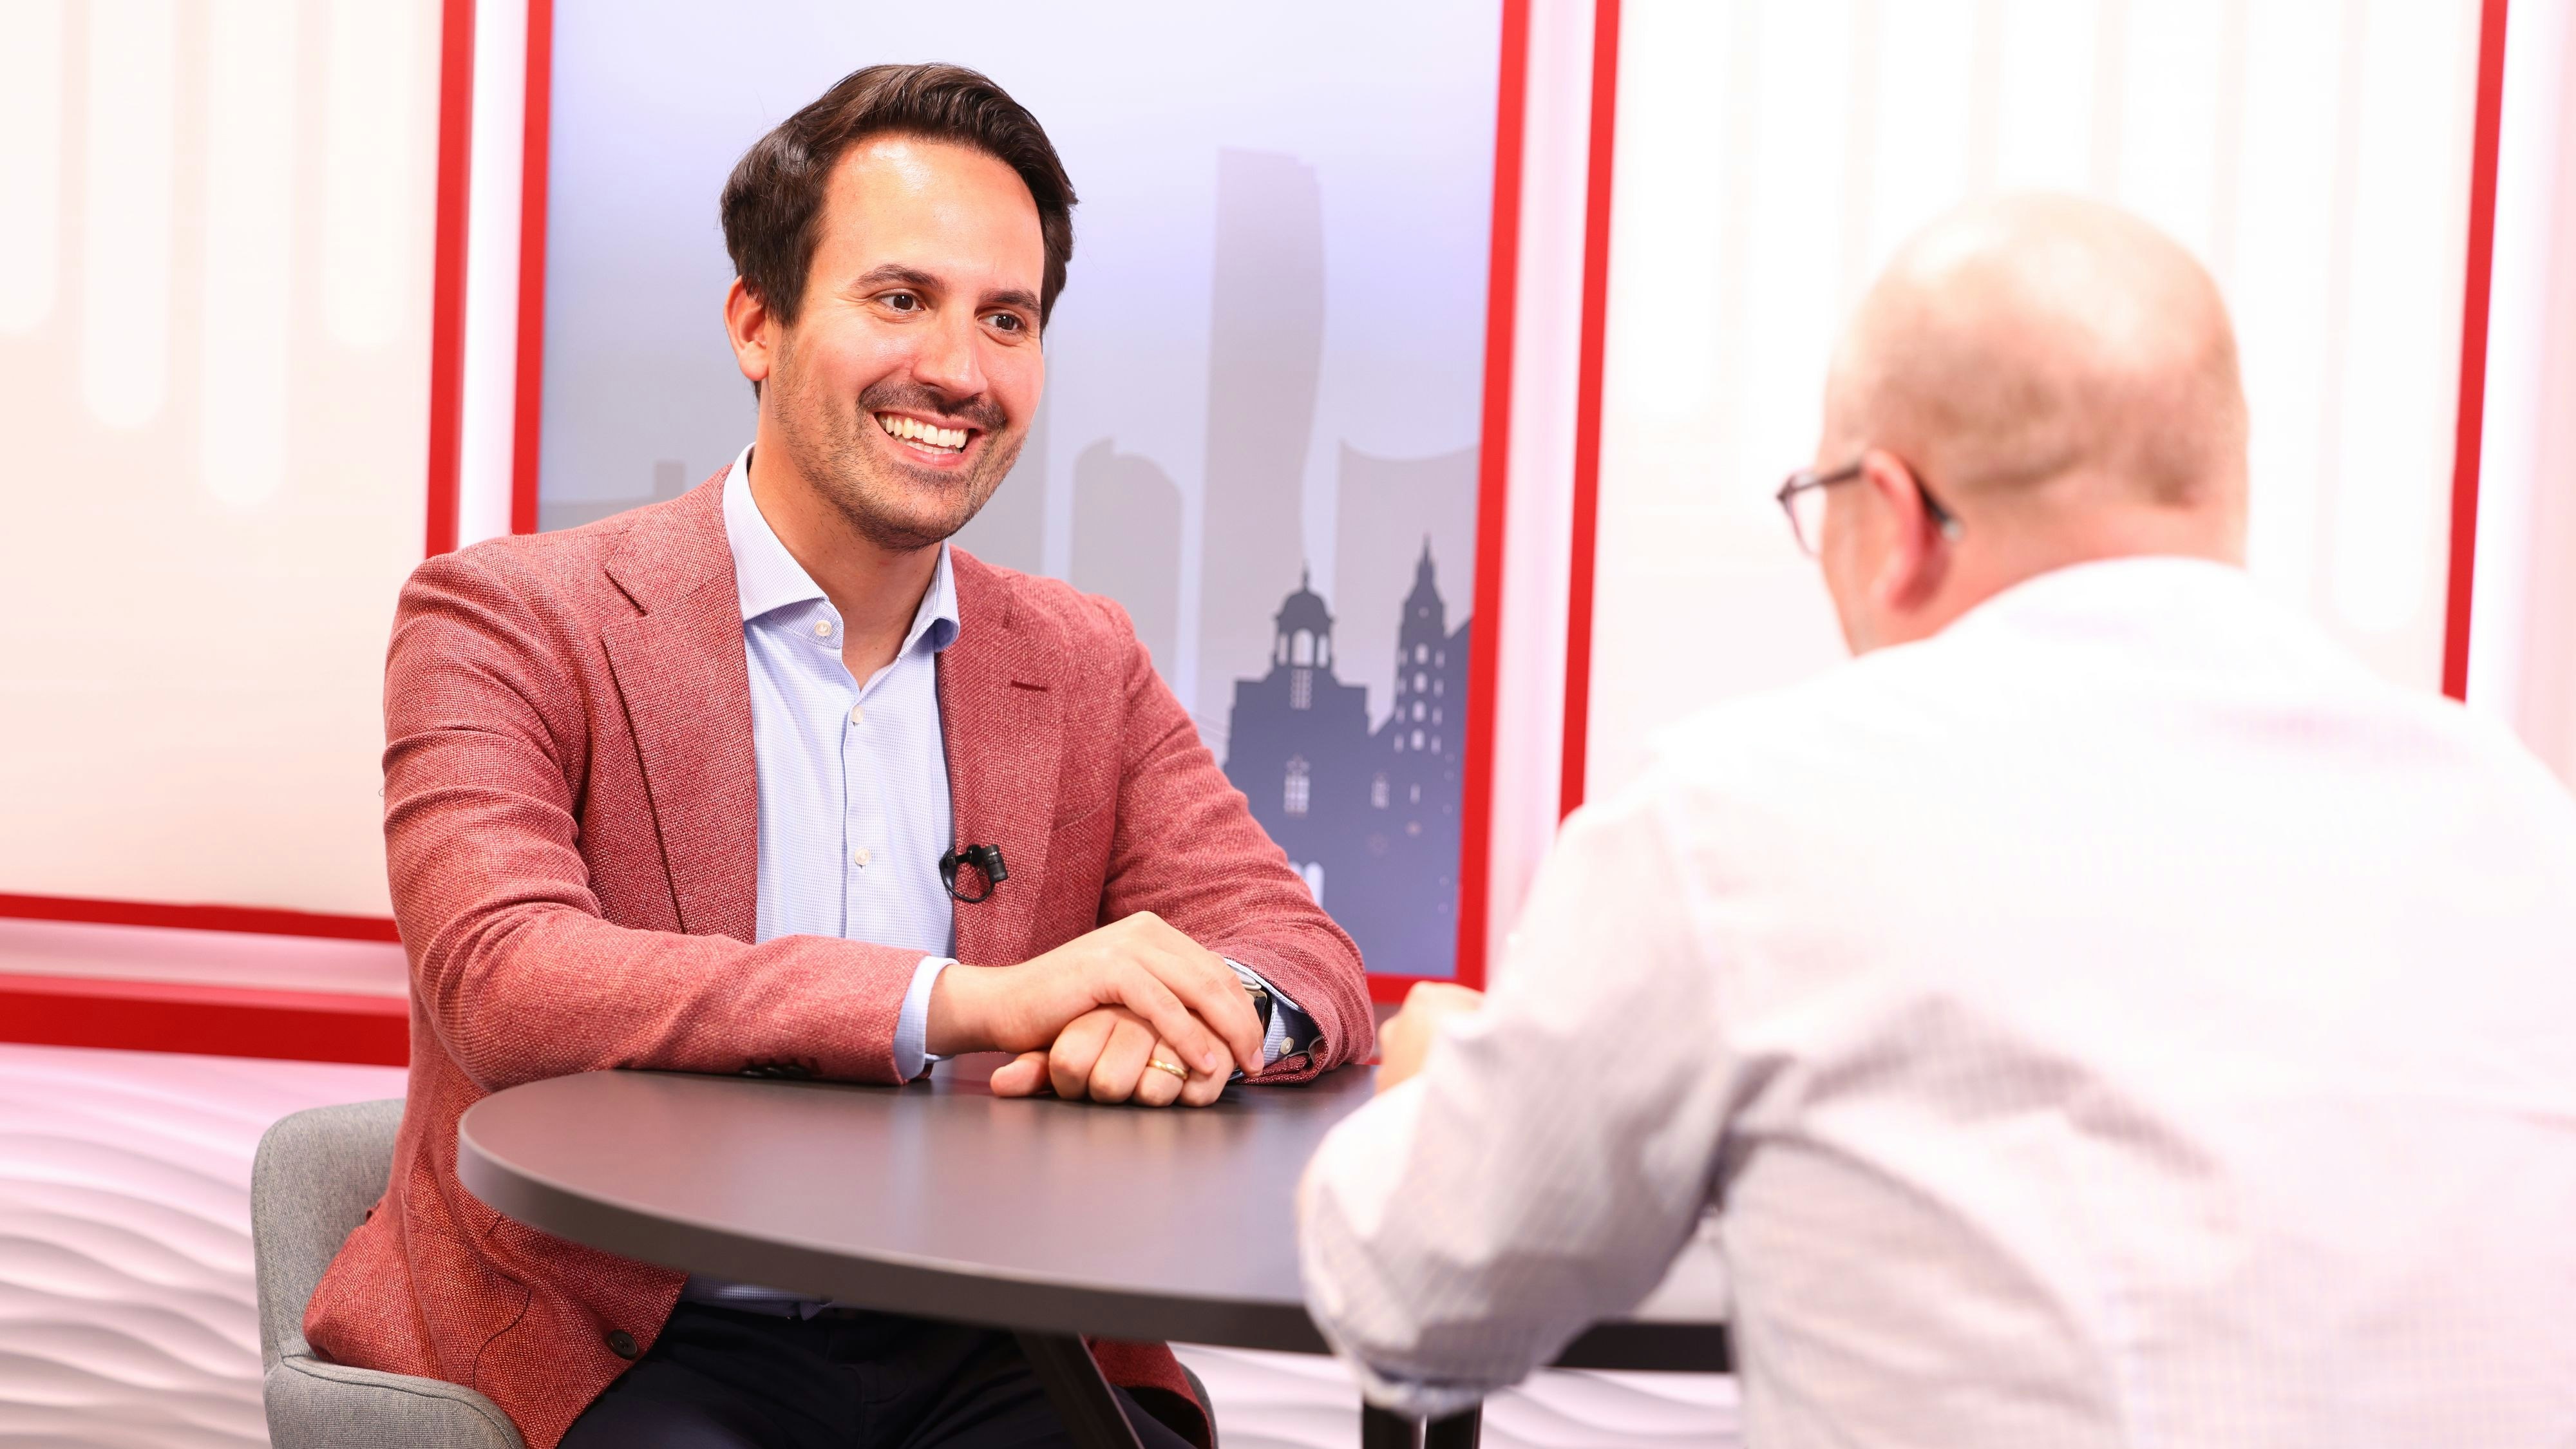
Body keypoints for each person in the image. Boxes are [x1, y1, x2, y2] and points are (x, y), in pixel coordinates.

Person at [1297, 194, 2576, 1445]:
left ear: (1895, 515)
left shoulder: (1741, 821)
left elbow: (1408, 1303)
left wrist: (1435, 1088)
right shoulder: (2518, 821)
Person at [304, 63, 1372, 1449]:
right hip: (628, 1337)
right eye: (900, 298)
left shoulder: (1083, 657)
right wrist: (972, 1003)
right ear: (758, 322)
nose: (959, 370)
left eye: (1006, 319)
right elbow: (505, 977)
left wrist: (1190, 1014)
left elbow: (1300, 952)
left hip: (997, 1337)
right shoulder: (508, 616)